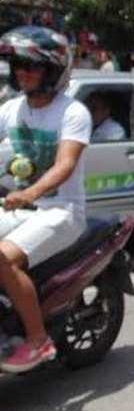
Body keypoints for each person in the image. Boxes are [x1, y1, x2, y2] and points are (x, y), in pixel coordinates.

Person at [0, 25, 92, 373]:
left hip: (62, 211)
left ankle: (38, 341)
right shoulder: (11, 109)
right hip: (21, 207)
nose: (22, 72)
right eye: (18, 65)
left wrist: (29, 193)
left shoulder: (72, 113)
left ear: (52, 70)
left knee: (3, 260)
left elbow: (65, 164)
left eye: (31, 65)